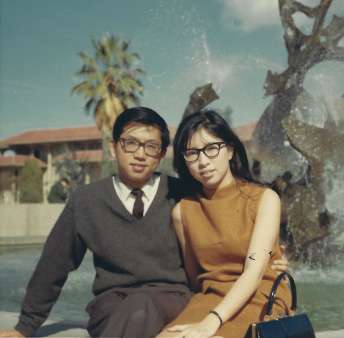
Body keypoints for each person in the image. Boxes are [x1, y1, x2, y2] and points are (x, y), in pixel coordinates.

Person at [0, 107, 288, 338]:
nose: (140, 154)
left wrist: (269, 259)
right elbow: (54, 263)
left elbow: (237, 244)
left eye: (151, 146)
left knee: (143, 307)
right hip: (117, 304)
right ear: (114, 148)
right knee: (138, 310)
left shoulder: (180, 194)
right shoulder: (91, 201)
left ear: (162, 154)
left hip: (174, 299)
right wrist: (25, 327)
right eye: (130, 143)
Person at [157, 110, 291, 338]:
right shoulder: (182, 212)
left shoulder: (264, 199)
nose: (203, 161)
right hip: (209, 298)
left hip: (259, 294)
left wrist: (212, 321)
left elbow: (254, 272)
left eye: (211, 149)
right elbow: (194, 277)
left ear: (229, 150)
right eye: (193, 153)